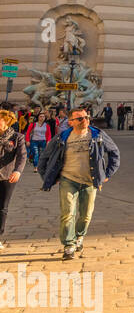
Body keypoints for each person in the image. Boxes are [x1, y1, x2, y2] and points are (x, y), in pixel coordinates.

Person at [37, 107, 120, 260]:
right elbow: (44, 157)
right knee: (68, 213)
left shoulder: (97, 135)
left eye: (87, 117)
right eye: (80, 118)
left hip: (90, 181)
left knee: (86, 215)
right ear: (71, 122)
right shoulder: (62, 137)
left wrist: (107, 174)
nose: (85, 120)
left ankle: (79, 236)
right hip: (68, 179)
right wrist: (47, 177)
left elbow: (114, 152)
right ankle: (69, 245)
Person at [0, 109, 27, 250]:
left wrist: (17, 171)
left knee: (2, 207)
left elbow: (22, 156)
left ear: (6, 121)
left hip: (7, 176)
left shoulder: (17, 137)